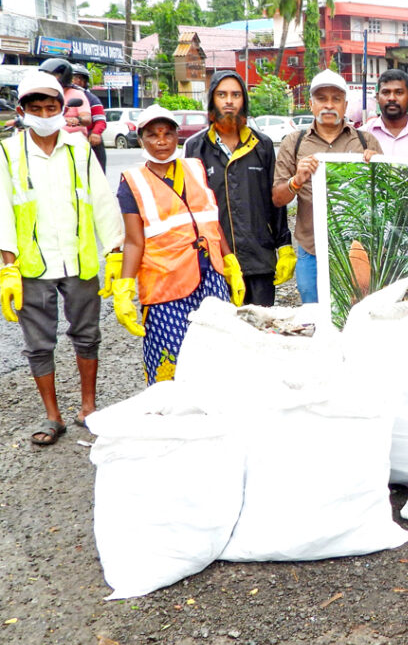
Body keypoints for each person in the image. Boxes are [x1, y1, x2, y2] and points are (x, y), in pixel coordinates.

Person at [0, 70, 124, 444]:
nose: (43, 113)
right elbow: (3, 209)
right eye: (35, 107)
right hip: (34, 265)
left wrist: (114, 252)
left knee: (87, 336)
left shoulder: (80, 149)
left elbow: (101, 201)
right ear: (22, 111)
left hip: (79, 260)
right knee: (39, 344)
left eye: (50, 106)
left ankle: (88, 407)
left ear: (60, 107)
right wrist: (8, 266)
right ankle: (52, 416)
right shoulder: (8, 153)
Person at [112, 105, 246, 384]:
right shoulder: (132, 182)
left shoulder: (195, 169)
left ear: (177, 137)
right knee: (171, 357)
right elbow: (135, 241)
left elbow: (212, 221)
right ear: (141, 139)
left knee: (217, 350)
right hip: (165, 283)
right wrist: (124, 286)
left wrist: (230, 262)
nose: (161, 141)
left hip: (211, 276)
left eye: (167, 134)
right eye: (153, 135)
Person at [184, 70, 294, 307]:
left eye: (236, 95)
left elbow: (274, 201)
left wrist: (284, 245)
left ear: (244, 100)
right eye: (222, 94)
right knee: (223, 335)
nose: (229, 101)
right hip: (216, 262)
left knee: (260, 332)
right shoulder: (196, 147)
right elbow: (192, 207)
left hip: (259, 258)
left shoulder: (261, 145)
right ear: (213, 100)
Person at [272, 70, 382, 304]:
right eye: (322, 99)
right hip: (311, 250)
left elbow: (383, 198)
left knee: (355, 316)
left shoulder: (366, 142)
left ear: (345, 105)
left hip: (357, 250)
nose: (329, 105)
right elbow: (278, 199)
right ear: (311, 104)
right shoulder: (294, 142)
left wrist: (377, 167)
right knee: (313, 316)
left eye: (336, 99)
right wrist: (296, 180)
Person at [363, 69, 408, 158]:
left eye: (399, 92)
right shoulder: (362, 135)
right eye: (386, 92)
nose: (392, 98)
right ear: (378, 97)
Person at [70, 63, 108, 171]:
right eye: (74, 78)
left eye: (81, 79)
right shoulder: (59, 96)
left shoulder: (91, 98)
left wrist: (96, 133)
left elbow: (100, 120)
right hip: (63, 138)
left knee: (97, 170)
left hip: (87, 138)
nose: (77, 81)